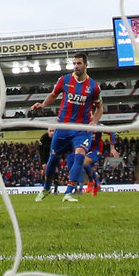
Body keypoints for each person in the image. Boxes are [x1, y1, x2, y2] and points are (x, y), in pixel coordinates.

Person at [30, 52, 103, 203]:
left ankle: (69, 192)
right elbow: (53, 95)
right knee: (53, 159)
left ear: (86, 65)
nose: (76, 66)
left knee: (79, 156)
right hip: (63, 126)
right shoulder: (64, 80)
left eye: (79, 63)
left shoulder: (93, 86)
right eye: (74, 63)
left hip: (82, 129)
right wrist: (43, 105)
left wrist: (94, 121)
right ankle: (46, 188)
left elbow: (99, 108)